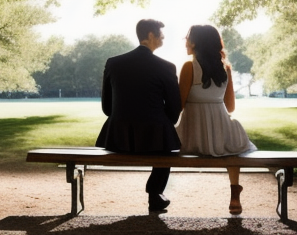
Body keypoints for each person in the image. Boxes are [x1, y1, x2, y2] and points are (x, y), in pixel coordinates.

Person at [96, 19, 182, 212]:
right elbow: (175, 108)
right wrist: (163, 124)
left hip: (118, 139)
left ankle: (155, 193)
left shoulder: (113, 63)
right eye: (161, 34)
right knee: (167, 148)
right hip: (156, 140)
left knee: (165, 141)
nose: (163, 37)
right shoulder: (167, 67)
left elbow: (107, 107)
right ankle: (155, 192)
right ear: (151, 35)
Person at [176, 24, 257, 215]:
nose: (185, 41)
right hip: (219, 132)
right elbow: (230, 108)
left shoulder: (189, 67)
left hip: (193, 136)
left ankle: (156, 193)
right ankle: (234, 190)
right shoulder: (225, 69)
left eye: (187, 37)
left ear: (195, 42)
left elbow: (179, 104)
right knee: (232, 145)